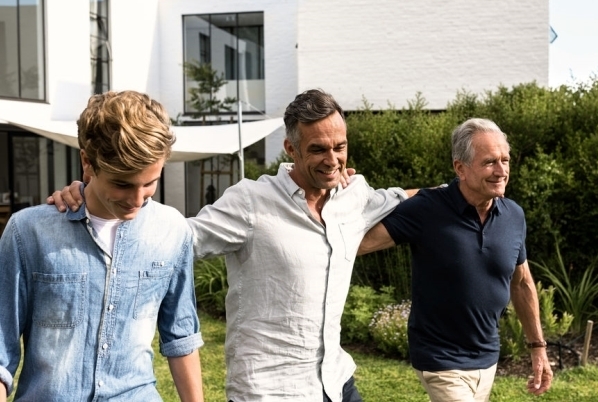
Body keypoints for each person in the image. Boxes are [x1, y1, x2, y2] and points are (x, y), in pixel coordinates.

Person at [48, 89, 416, 402]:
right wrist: (90, 194)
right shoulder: (251, 202)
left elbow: (413, 201)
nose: (332, 159)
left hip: (337, 384)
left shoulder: (353, 196)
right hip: (270, 390)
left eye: (340, 147)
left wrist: (451, 191)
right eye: (318, 149)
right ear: (291, 148)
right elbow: (177, 239)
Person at [0, 91, 204, 402]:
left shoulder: (172, 230)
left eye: (150, 182)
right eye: (122, 183)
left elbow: (182, 337)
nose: (137, 200)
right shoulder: (28, 232)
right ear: (87, 162)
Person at [358, 118, 553, 401]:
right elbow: (360, 244)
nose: (501, 171)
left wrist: (538, 347)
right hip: (440, 357)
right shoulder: (427, 209)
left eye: (505, 160)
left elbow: (521, 283)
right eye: (490, 162)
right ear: (460, 168)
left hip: (487, 357)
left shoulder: (513, 215)